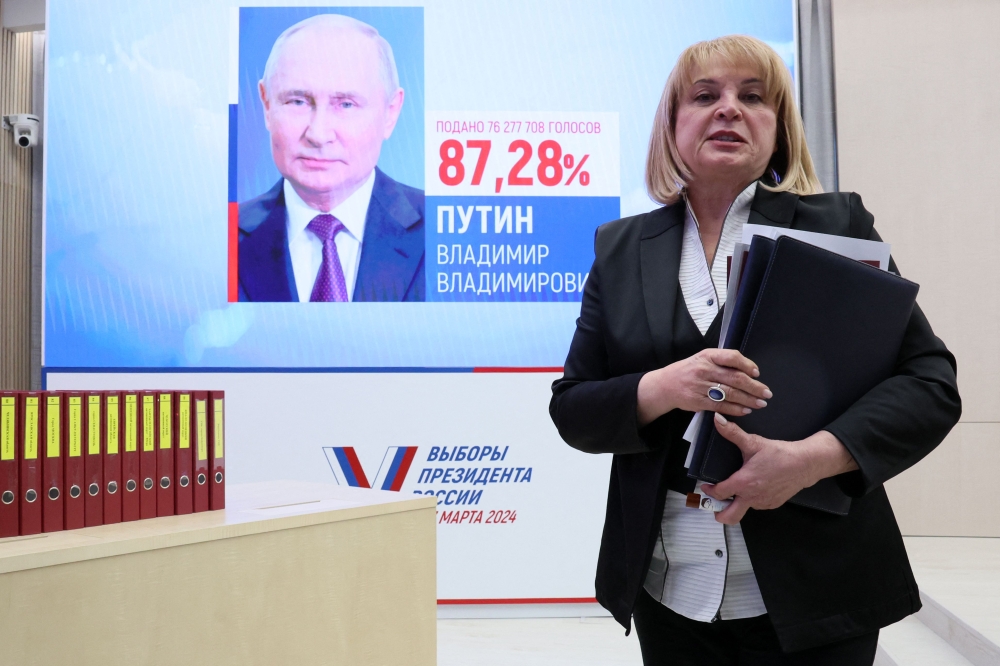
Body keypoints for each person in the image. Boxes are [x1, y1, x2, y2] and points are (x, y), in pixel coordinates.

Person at [549, 35, 961, 665]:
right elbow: (573, 409)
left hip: (817, 591)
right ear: (671, 125)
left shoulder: (836, 227)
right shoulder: (620, 247)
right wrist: (664, 387)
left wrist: (814, 458)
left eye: (753, 97)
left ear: (779, 129)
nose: (729, 109)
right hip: (671, 594)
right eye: (705, 95)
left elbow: (929, 383)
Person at [238, 14, 424, 302]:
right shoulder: (218, 238)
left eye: (346, 104)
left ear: (391, 112)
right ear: (265, 104)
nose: (318, 133)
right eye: (297, 101)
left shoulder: (448, 234)